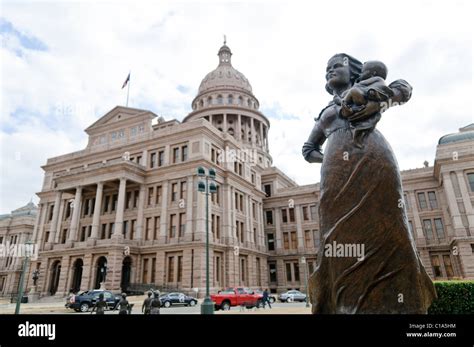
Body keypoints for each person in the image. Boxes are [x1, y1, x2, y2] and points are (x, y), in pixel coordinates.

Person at [302, 53, 436, 314]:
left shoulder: (370, 88)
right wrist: (333, 160)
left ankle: (400, 306)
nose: (329, 71)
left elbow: (403, 88)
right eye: (326, 69)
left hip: (376, 161)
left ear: (352, 70)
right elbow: (308, 150)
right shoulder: (327, 112)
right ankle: (342, 305)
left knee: (389, 231)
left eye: (335, 66)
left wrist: (382, 100)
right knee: (336, 238)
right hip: (337, 177)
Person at [338, 60, 394, 148]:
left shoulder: (377, 79)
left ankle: (344, 106)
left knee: (353, 91)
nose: (360, 74)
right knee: (351, 92)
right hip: (358, 99)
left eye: (363, 72)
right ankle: (347, 108)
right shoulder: (362, 82)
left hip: (363, 99)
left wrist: (372, 92)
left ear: (373, 73)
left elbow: (381, 88)